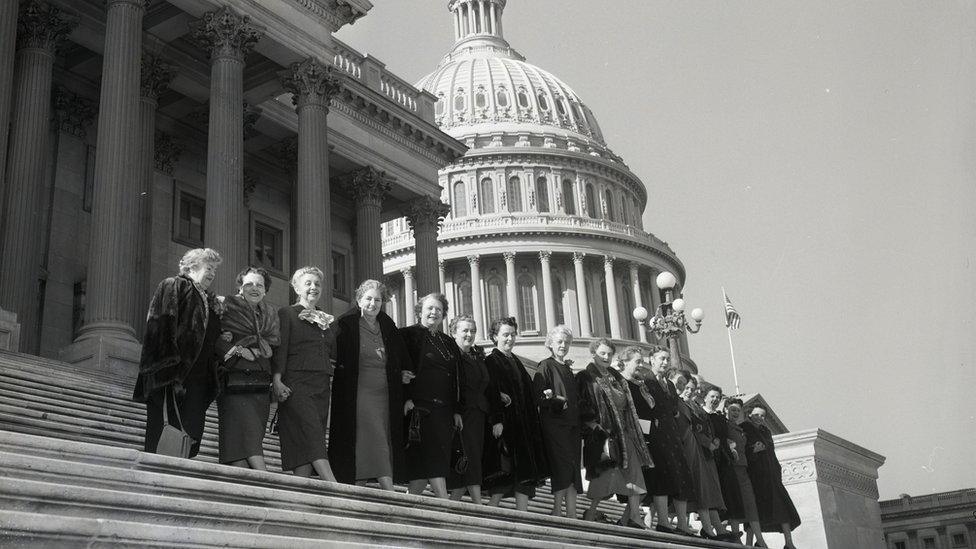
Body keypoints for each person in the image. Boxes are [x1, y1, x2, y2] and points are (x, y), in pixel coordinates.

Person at [134, 248, 223, 459]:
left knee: (190, 436)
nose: (212, 273)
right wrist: (169, 374)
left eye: (214, 270)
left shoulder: (208, 300)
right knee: (165, 433)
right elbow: (161, 327)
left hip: (198, 379)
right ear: (192, 266)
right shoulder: (174, 285)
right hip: (172, 376)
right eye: (208, 268)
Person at [329, 279, 408, 490]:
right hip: (359, 390)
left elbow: (400, 355)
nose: (373, 303)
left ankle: (358, 483)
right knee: (376, 435)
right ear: (358, 299)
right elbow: (333, 353)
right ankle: (388, 488)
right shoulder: (345, 323)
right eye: (368, 299)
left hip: (385, 391)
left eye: (378, 300)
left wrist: (403, 372)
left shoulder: (387, 324)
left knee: (373, 436)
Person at [577, 341, 654, 528]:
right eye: (602, 353)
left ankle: (634, 516)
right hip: (604, 434)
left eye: (609, 354)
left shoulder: (616, 378)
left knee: (635, 473)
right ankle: (591, 513)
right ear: (593, 353)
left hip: (626, 433)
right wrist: (595, 426)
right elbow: (582, 405)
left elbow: (628, 407)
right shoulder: (586, 376)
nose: (606, 357)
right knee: (604, 476)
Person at [271, 266, 336, 481]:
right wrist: (277, 379)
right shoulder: (287, 313)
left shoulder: (326, 320)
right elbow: (282, 348)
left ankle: (300, 495)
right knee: (312, 435)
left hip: (321, 384)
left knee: (306, 442)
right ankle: (335, 486)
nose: (313, 287)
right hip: (296, 384)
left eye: (317, 284)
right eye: (308, 283)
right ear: (296, 287)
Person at [399, 292, 463, 499]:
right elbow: (400, 368)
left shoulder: (448, 342)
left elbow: (456, 379)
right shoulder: (408, 335)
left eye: (438, 309)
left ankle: (406, 510)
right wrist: (405, 397)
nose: (434, 312)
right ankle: (445, 505)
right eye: (429, 308)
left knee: (421, 471)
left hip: (444, 410)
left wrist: (456, 410)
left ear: (444, 314)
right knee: (434, 459)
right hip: (420, 408)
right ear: (420, 311)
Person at [215, 266, 280, 470]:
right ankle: (265, 477)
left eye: (259, 285)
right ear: (240, 287)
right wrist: (238, 350)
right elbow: (214, 337)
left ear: (265, 290)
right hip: (234, 380)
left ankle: (246, 487)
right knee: (245, 433)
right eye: (249, 284)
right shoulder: (225, 306)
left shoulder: (270, 314)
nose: (254, 288)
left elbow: (274, 343)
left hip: (260, 382)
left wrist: (259, 352)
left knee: (248, 439)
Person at [483, 317, 549, 512]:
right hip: (506, 426)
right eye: (505, 335)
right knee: (503, 477)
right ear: (495, 337)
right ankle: (490, 515)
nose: (510, 338)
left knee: (524, 478)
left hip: (523, 428)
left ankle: (523, 517)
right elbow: (490, 391)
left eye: (512, 334)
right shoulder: (491, 361)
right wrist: (497, 420)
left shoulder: (516, 361)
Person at [633, 347, 695, 535]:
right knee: (662, 478)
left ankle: (683, 524)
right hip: (656, 437)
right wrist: (648, 433)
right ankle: (663, 521)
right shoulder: (645, 381)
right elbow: (640, 410)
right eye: (661, 358)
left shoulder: (668, 384)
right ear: (651, 359)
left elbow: (675, 410)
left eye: (667, 359)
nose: (665, 362)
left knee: (681, 477)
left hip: (672, 437)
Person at [448, 314, 504, 504]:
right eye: (465, 330)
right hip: (463, 414)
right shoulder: (452, 355)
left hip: (479, 415)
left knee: (471, 458)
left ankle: (451, 506)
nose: (469, 334)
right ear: (453, 332)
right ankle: (478, 505)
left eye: (472, 331)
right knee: (469, 458)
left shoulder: (476, 356)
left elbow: (485, 385)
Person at [671, 370, 730, 540]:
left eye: (693, 388)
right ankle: (708, 528)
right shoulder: (680, 403)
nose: (690, 391)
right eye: (687, 387)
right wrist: (707, 442)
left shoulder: (693, 406)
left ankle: (713, 529)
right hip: (689, 448)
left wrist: (713, 441)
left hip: (701, 451)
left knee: (705, 490)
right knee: (698, 489)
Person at [533, 325, 583, 518]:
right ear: (550, 343)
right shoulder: (545, 365)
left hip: (572, 425)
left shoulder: (567, 368)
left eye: (567, 342)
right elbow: (537, 396)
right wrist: (554, 400)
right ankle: (556, 508)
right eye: (559, 342)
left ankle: (571, 512)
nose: (563, 345)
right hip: (555, 425)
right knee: (562, 466)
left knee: (573, 467)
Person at [742, 405, 801, 549]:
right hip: (755, 475)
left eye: (762, 416)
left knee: (782, 507)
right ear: (750, 414)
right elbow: (743, 449)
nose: (759, 418)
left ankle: (789, 543)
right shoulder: (744, 427)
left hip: (771, 475)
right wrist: (753, 450)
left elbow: (771, 453)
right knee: (754, 509)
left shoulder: (766, 431)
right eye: (756, 414)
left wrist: (777, 470)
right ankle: (749, 543)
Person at [703, 386, 745, 541]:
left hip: (724, 459)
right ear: (705, 397)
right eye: (712, 396)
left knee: (729, 494)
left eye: (717, 397)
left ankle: (730, 531)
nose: (714, 400)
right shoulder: (701, 413)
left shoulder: (720, 418)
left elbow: (726, 437)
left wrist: (732, 448)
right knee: (713, 493)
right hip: (709, 457)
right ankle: (715, 528)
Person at [725, 398, 767, 547]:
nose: (735, 413)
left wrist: (753, 449)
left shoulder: (740, 429)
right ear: (726, 410)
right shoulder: (724, 425)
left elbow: (744, 450)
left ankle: (760, 540)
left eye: (738, 410)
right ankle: (737, 538)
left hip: (743, 469)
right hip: (731, 469)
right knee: (735, 503)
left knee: (750, 504)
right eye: (732, 410)